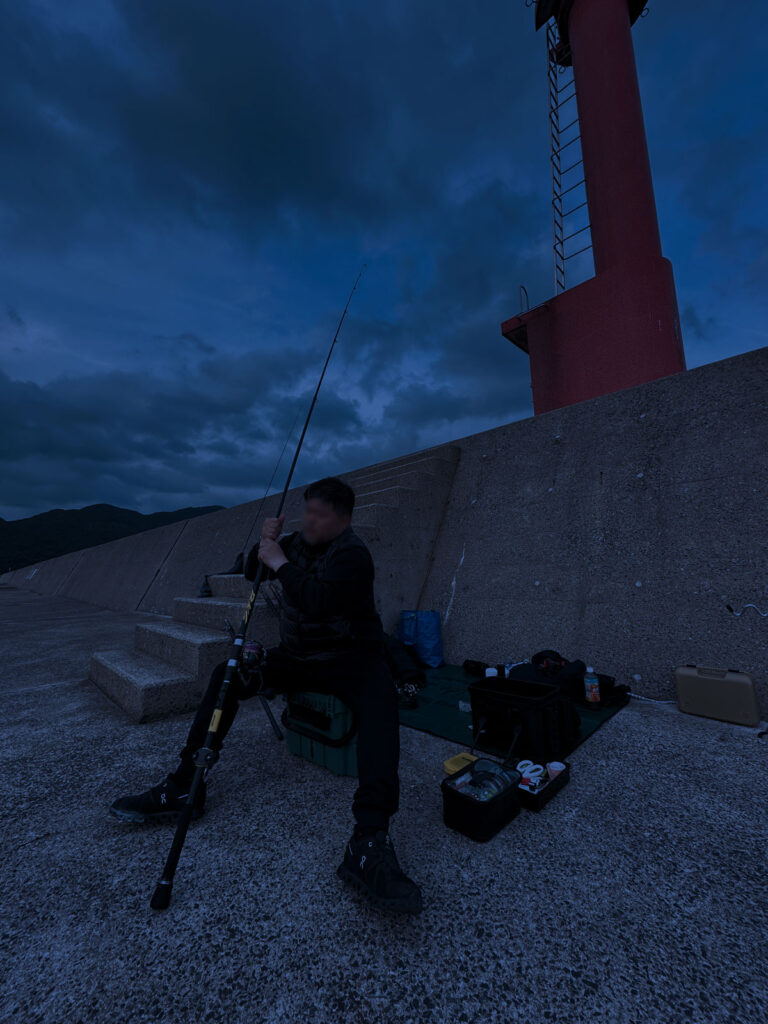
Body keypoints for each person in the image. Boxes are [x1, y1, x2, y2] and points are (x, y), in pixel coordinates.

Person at [109, 476, 422, 915]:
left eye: (320, 515)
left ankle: (369, 839)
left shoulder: (353, 554)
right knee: (227, 674)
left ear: (343, 519)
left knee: (381, 706)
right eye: (307, 510)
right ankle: (184, 785)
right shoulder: (295, 543)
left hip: (351, 660)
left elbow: (317, 600)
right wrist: (263, 546)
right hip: (298, 658)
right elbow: (252, 573)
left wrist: (279, 561)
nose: (309, 520)